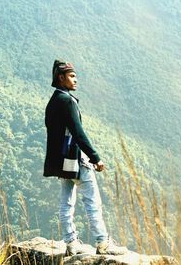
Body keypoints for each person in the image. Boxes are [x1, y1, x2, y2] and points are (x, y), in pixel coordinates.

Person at [43, 59, 128, 256]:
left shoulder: (53, 101)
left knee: (66, 201)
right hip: (76, 159)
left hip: (62, 162)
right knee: (92, 201)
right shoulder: (68, 101)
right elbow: (78, 132)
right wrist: (95, 157)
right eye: (72, 76)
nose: (76, 79)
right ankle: (103, 242)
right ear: (61, 77)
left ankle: (71, 242)